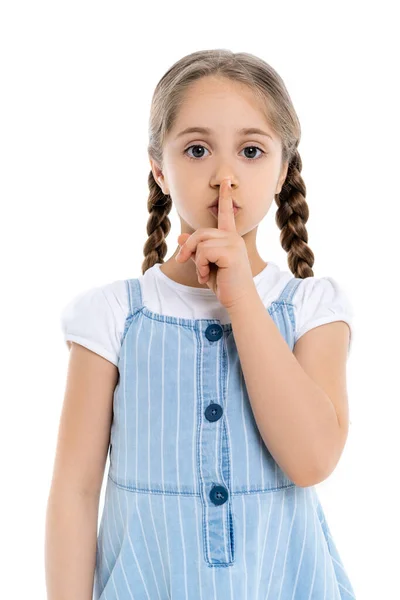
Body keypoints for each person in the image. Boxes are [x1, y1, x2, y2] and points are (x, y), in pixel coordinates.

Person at [46, 49, 356, 599]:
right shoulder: (113, 317)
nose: (225, 176)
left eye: (252, 151)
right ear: (160, 170)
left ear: (284, 170)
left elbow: (312, 459)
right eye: (197, 149)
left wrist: (241, 298)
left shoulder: (312, 308)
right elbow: (74, 492)